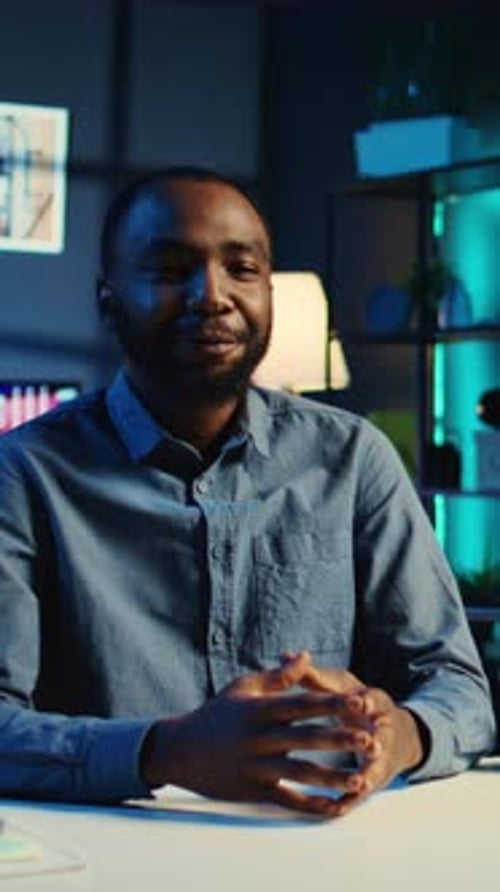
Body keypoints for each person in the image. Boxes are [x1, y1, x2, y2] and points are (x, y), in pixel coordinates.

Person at [0, 167, 495, 817]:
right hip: (112, 853)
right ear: (108, 299)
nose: (212, 296)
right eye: (171, 270)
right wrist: (167, 751)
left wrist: (399, 735)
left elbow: (458, 688)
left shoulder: (352, 460)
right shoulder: (25, 474)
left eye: (242, 268)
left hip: (321, 844)